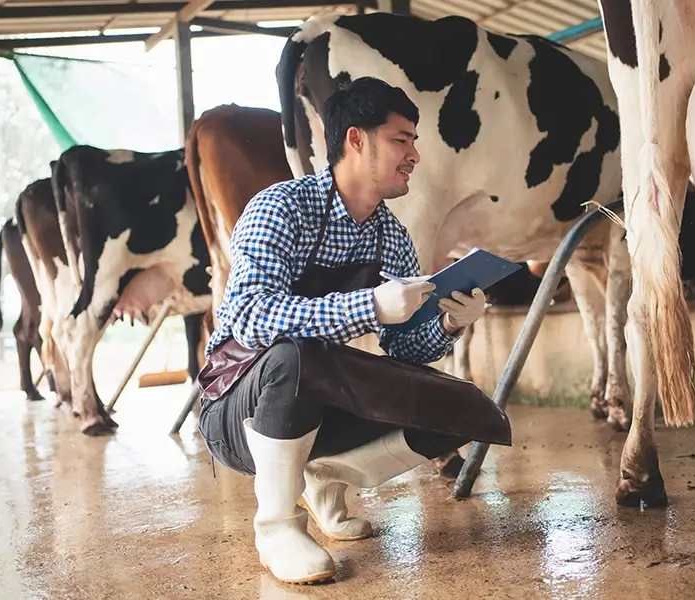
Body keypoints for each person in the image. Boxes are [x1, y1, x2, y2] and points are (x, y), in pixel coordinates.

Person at [195, 77, 512, 585]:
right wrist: (368, 305)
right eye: (400, 140)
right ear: (356, 140)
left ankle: (323, 477)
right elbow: (249, 317)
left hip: (317, 395)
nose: (413, 155)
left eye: (414, 142)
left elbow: (406, 347)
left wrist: (450, 320)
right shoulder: (280, 207)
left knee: (461, 410)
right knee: (292, 358)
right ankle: (277, 526)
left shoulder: (391, 235)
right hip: (238, 402)